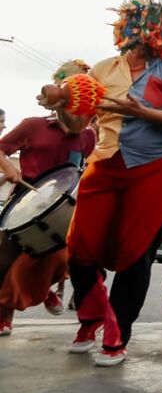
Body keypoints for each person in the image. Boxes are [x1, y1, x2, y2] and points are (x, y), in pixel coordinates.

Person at [66, 0, 162, 367]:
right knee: (78, 248)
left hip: (156, 167)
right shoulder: (102, 69)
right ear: (122, 28)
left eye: (151, 26)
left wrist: (145, 111)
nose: (142, 32)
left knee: (136, 253)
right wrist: (62, 104)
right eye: (136, 24)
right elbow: (77, 125)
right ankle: (91, 317)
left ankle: (117, 333)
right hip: (106, 163)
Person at [0, 61, 98, 336]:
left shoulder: (88, 137)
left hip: (61, 207)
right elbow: (1, 149)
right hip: (25, 198)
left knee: (60, 258)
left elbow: (83, 169)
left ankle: (46, 291)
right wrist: (10, 169)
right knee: (6, 259)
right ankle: (4, 316)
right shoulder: (32, 126)